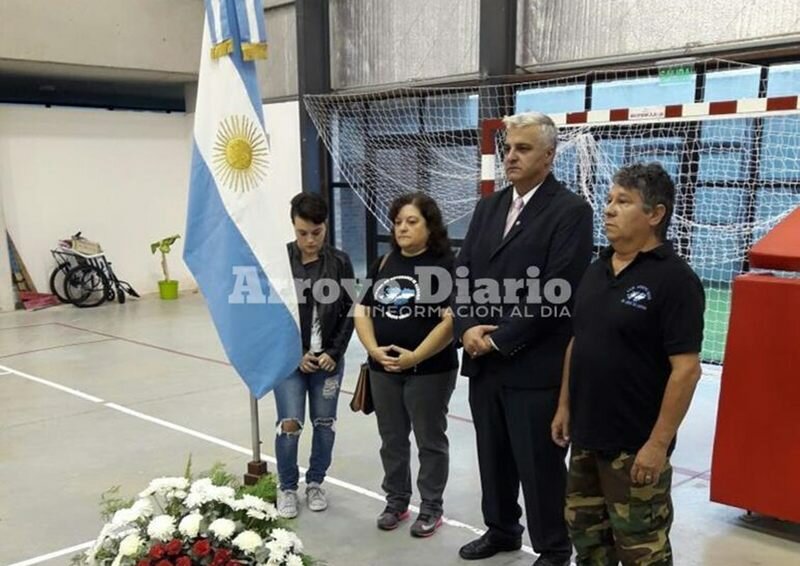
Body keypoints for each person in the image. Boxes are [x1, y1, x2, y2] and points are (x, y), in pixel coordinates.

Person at [454, 112, 594, 566]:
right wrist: (467, 329)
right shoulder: (489, 206)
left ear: (549, 156)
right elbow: (464, 274)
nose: (511, 156)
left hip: (534, 365)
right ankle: (501, 530)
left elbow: (558, 291)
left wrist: (499, 339)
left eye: (523, 149)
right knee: (492, 457)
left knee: (539, 467)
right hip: (484, 361)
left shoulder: (570, 212)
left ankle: (553, 549)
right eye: (508, 148)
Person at [551, 162, 705, 565]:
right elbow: (577, 343)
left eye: (623, 201)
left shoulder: (675, 281)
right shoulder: (594, 271)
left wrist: (656, 444)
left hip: (634, 449)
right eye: (608, 200)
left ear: (655, 215)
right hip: (586, 438)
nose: (608, 209)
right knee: (588, 544)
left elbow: (686, 370)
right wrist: (565, 406)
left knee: (642, 551)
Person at [354, 192, 458, 538]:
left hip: (429, 371)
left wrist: (416, 356)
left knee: (429, 439)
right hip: (384, 370)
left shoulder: (445, 265)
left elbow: (449, 321)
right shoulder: (384, 263)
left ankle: (431, 507)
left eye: (412, 222)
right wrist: (373, 350)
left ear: (430, 226)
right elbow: (363, 310)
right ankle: (396, 501)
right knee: (392, 439)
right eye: (398, 222)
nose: (402, 228)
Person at [274, 192, 355, 519]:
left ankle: (316, 482)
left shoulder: (340, 262)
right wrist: (295, 354)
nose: (309, 240)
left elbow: (351, 310)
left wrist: (334, 352)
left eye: (316, 233)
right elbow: (272, 315)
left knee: (324, 423)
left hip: (328, 362)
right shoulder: (279, 260)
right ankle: (287, 486)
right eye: (302, 233)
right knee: (290, 424)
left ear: (326, 227)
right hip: (290, 362)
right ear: (293, 227)